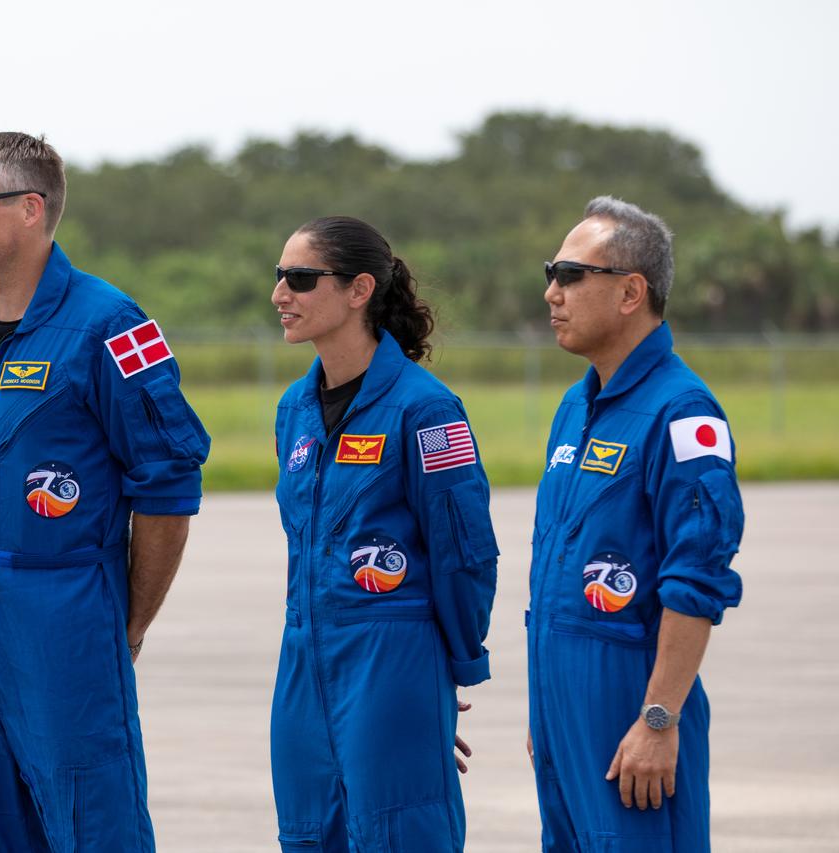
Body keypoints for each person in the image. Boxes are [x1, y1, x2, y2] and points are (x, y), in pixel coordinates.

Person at [0, 131, 210, 852]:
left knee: (93, 822)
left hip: (64, 621)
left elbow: (168, 484)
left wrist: (129, 622)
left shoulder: (113, 325)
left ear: (28, 208)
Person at [269, 216, 498, 852]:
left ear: (359, 289)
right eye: (279, 276)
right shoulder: (294, 409)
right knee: (309, 836)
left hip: (392, 658)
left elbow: (464, 554)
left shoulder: (426, 409)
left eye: (301, 279)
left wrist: (439, 679)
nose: (280, 294)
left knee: (401, 837)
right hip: (303, 660)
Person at [527, 196, 744, 852]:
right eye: (549, 273)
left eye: (569, 275)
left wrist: (658, 717)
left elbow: (696, 576)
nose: (551, 293)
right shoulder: (576, 404)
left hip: (631, 694)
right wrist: (549, 706)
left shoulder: (682, 413)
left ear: (629, 292)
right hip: (560, 695)